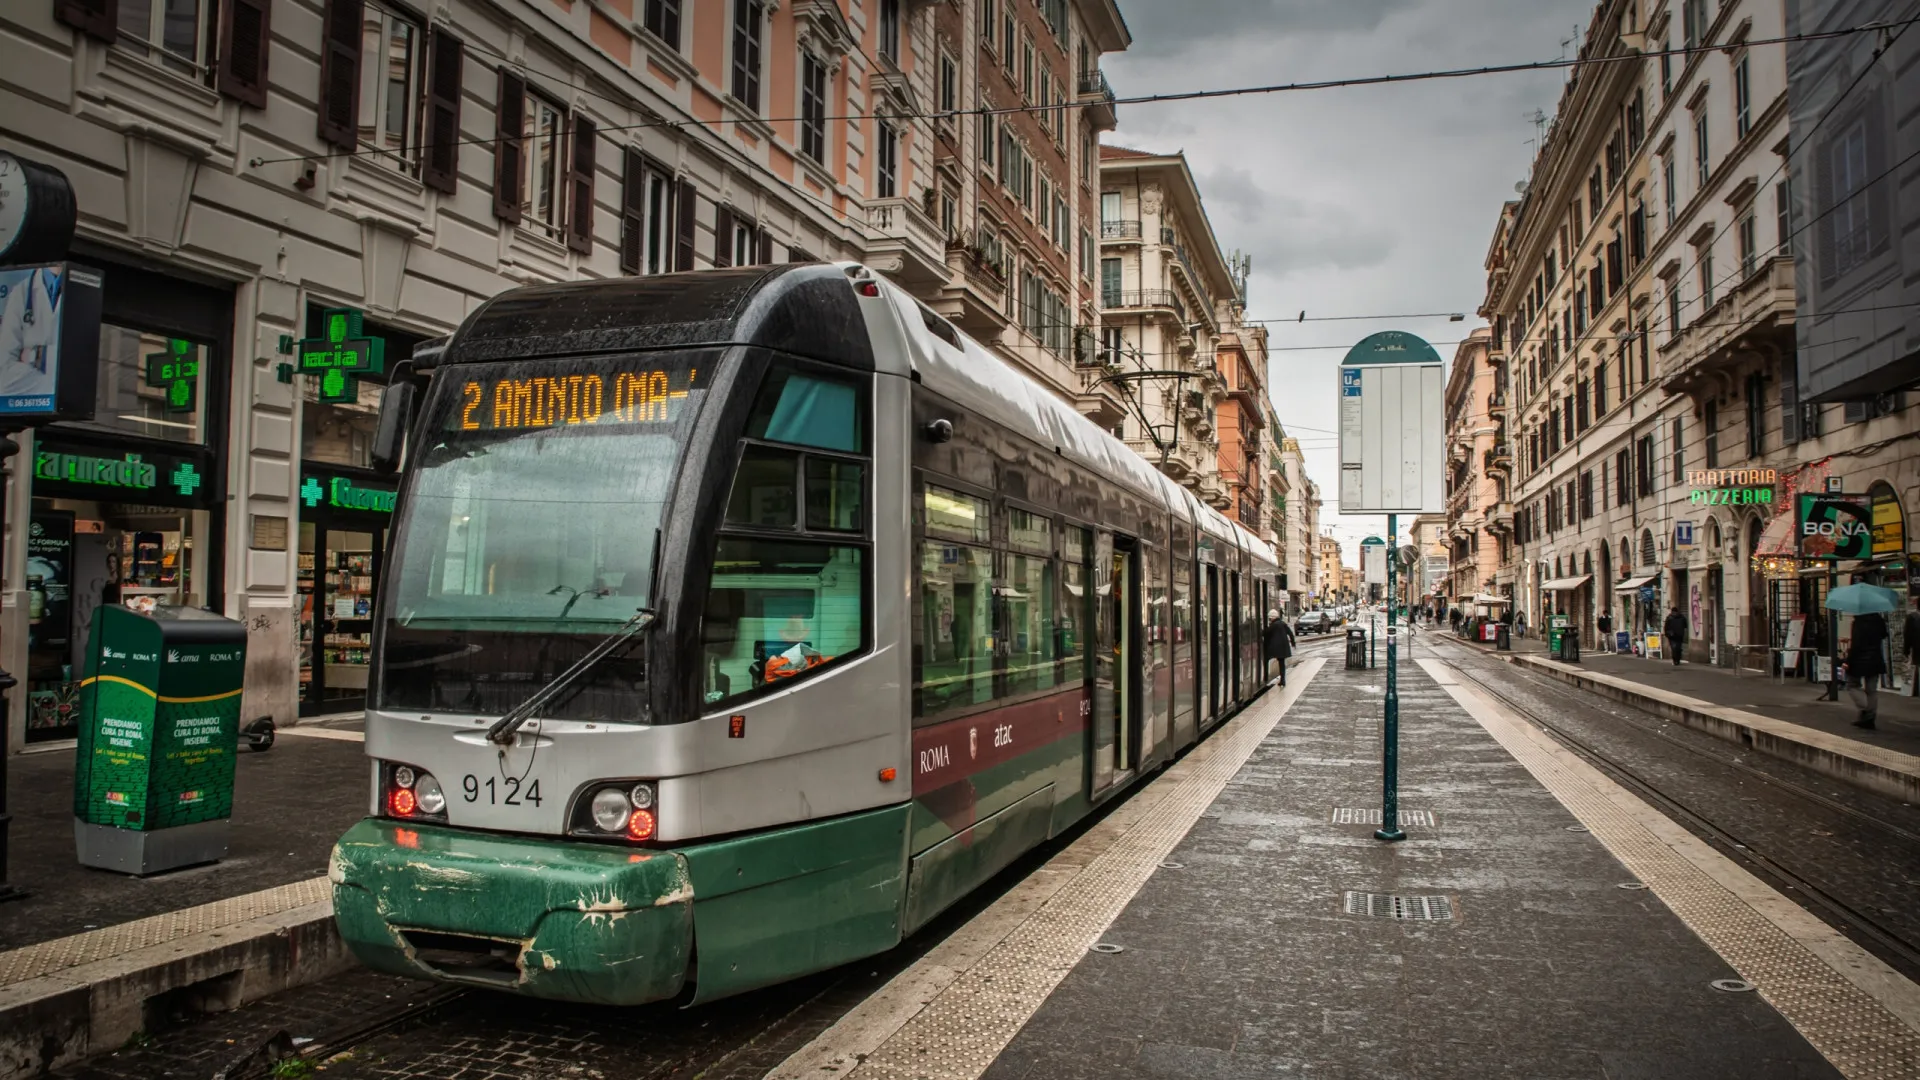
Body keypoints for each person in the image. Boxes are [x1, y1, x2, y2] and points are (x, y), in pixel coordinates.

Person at [1845, 610, 1889, 728]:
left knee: (1851, 684)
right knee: (1872, 690)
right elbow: (1884, 635)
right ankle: (1870, 716)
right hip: (1875, 659)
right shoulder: (1879, 620)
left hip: (1859, 660)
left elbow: (1855, 644)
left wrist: (1848, 661)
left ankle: (1865, 709)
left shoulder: (1858, 622)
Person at [1263, 609, 1296, 687]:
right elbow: (1290, 633)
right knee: (1282, 664)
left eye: (1270, 618)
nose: (1269, 620)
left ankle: (1265, 677)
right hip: (1283, 647)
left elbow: (1265, 633)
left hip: (1275, 647)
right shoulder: (1282, 623)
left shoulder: (1273, 625)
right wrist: (1293, 642)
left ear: (1272, 618)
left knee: (1266, 659)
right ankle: (1283, 680)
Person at [1904, 597, 1920, 698]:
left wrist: (1906, 650)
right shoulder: (1912, 617)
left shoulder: (1912, 617)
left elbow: (1907, 635)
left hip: (1918, 649)